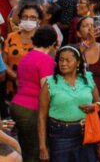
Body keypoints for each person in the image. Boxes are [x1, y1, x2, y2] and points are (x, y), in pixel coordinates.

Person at [37, 45, 100, 162]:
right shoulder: (50, 83)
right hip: (60, 136)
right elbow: (41, 116)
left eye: (68, 60)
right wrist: (42, 147)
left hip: (87, 134)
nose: (63, 63)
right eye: (61, 60)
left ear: (78, 63)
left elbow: (99, 102)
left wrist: (94, 106)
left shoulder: (87, 78)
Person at [10, 26, 57, 162]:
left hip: (17, 105)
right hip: (32, 109)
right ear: (53, 44)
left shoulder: (26, 57)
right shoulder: (46, 59)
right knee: (35, 152)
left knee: (25, 149)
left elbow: (19, 82)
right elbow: (46, 89)